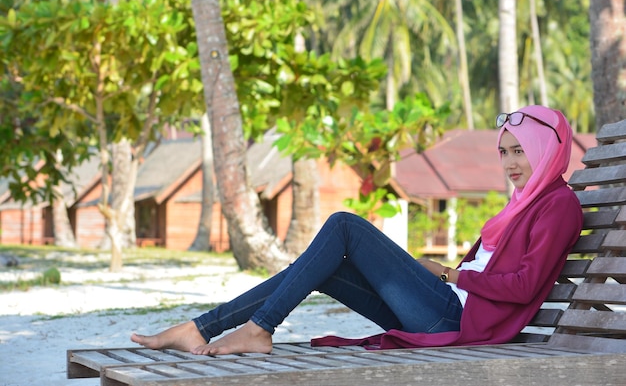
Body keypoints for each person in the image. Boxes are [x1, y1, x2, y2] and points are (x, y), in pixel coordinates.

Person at [131, 105, 583, 354]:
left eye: (519, 151)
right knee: (323, 266)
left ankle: (256, 328)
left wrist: (449, 274)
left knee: (345, 225)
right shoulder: (524, 202)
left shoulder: (557, 205)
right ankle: (204, 327)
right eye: (503, 152)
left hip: (456, 317)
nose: (509, 164)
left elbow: (524, 286)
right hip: (446, 307)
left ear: (546, 149)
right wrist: (446, 278)